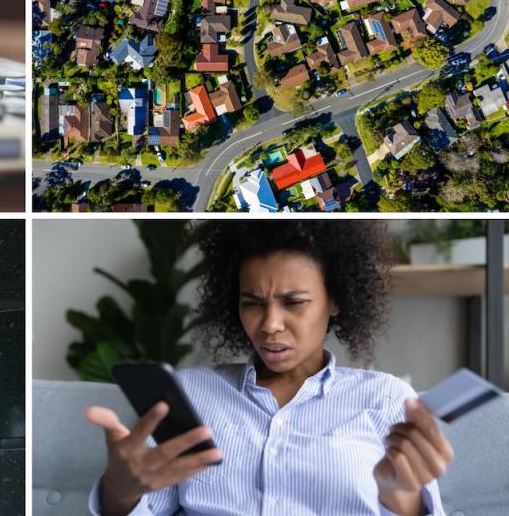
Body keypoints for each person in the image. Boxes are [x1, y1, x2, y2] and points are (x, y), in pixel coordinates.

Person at [86, 221, 453, 516]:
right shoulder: (189, 393)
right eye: (252, 303)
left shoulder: (386, 399)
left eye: (294, 302)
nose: (269, 324)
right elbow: (146, 506)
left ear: (337, 299)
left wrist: (399, 494)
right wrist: (120, 490)